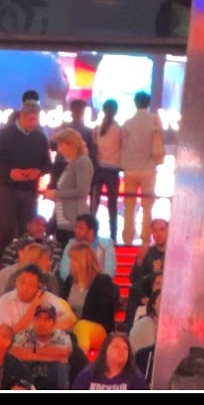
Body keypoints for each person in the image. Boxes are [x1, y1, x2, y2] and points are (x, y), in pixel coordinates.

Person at [0, 100, 52, 262]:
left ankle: (24, 266)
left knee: (27, 233)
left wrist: (38, 172)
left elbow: (48, 165)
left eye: (36, 120)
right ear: (22, 116)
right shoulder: (4, 134)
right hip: (7, 190)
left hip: (29, 191)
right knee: (6, 231)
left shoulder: (40, 137)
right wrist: (9, 172)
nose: (33, 123)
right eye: (31, 119)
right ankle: (3, 269)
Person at [118, 94, 164, 247]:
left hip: (130, 169)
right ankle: (145, 239)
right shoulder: (155, 120)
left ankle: (128, 239)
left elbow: (122, 145)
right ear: (149, 103)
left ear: (135, 103)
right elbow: (160, 140)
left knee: (129, 206)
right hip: (149, 169)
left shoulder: (127, 123)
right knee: (147, 207)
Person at [47, 130, 95, 248]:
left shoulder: (83, 162)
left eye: (61, 145)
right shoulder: (72, 163)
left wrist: (56, 193)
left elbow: (82, 190)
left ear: (70, 144)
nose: (59, 149)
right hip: (63, 220)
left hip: (74, 220)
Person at [10, 302, 73, 389]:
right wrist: (52, 356)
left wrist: (30, 352)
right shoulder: (24, 334)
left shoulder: (61, 335)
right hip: (30, 376)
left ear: (54, 323)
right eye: (38, 318)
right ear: (33, 320)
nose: (42, 323)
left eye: (47, 319)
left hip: (53, 377)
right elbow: (16, 353)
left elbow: (64, 352)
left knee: (58, 366)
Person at [62, 243, 120, 333]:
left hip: (95, 328)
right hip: (70, 327)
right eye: (71, 259)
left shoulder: (102, 281)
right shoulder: (69, 281)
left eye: (74, 260)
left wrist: (78, 323)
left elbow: (105, 316)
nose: (71, 263)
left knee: (82, 327)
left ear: (84, 261)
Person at [72, 331, 150, 391]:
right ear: (105, 350)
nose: (122, 350)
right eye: (116, 346)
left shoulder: (136, 379)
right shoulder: (87, 375)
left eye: (126, 348)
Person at [92, 102, 123, 243]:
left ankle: (91, 232)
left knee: (94, 204)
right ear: (116, 111)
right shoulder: (119, 130)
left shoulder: (97, 129)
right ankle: (113, 237)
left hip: (98, 170)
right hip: (113, 171)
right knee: (112, 206)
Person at [57, 214, 117, 284]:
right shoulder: (71, 244)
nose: (76, 231)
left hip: (99, 286)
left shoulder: (106, 245)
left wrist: (90, 284)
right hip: (75, 285)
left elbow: (110, 272)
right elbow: (64, 272)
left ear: (91, 232)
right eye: (76, 227)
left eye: (81, 228)